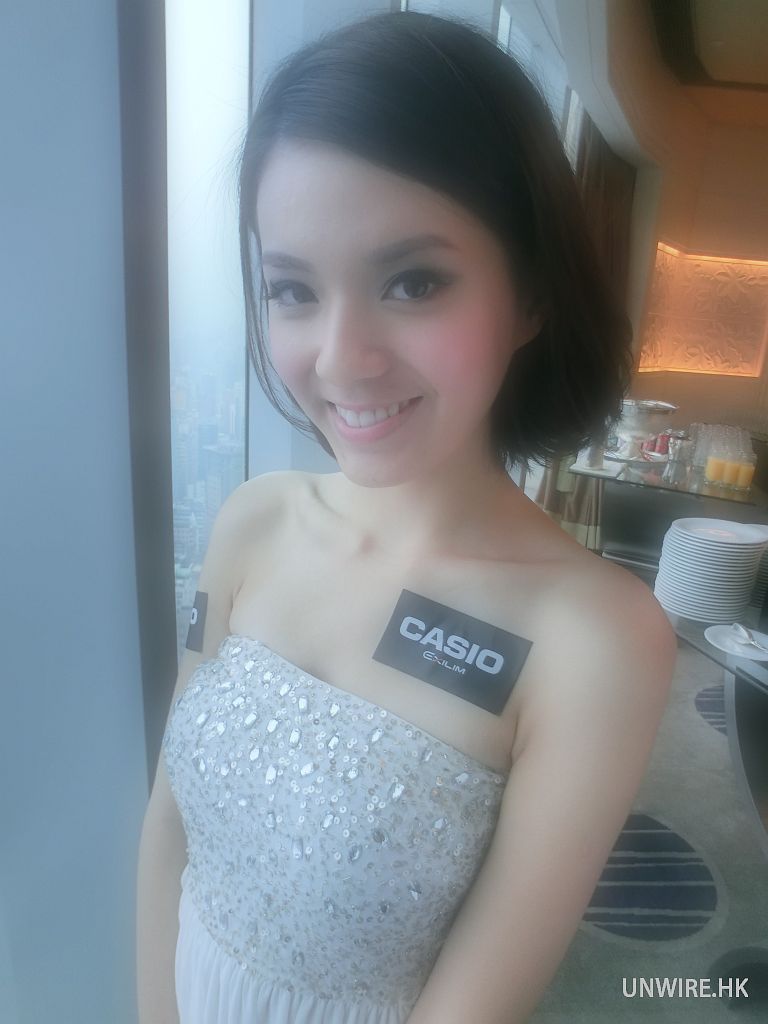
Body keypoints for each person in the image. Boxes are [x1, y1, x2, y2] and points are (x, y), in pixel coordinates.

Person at [137, 10, 677, 1024]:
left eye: (413, 281)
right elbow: (169, 825)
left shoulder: (597, 639)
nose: (343, 359)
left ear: (531, 293)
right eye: (292, 289)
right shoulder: (250, 524)